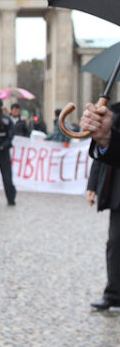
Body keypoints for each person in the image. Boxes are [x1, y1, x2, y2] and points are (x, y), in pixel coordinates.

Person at [85, 105, 120, 310]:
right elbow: (102, 156)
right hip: (118, 189)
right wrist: (92, 185)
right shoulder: (114, 114)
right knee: (115, 243)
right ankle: (114, 293)